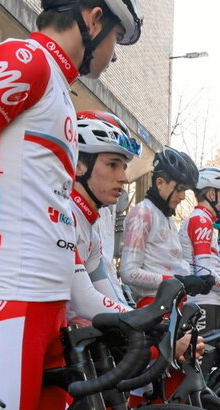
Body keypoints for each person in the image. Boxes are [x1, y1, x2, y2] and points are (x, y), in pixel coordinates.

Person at [0, 0, 142, 410]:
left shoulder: (59, 90)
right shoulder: (25, 57)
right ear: (93, 19)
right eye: (116, 37)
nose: (114, 55)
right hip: (10, 305)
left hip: (48, 312)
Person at [67, 111, 140, 324]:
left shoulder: (89, 228)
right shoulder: (64, 216)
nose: (124, 178)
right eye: (112, 165)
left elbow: (106, 296)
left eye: (123, 167)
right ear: (79, 165)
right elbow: (85, 300)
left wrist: (152, 327)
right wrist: (144, 325)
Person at [121, 147, 198, 306]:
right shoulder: (142, 213)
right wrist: (178, 281)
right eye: (180, 189)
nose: (183, 196)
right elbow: (129, 273)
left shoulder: (166, 217)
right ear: (160, 183)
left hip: (172, 304)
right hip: (153, 306)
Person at [179, 166, 220, 336]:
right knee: (201, 360)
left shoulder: (203, 220)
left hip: (208, 301)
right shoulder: (200, 220)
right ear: (211, 194)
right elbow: (205, 273)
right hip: (200, 302)